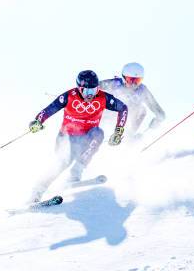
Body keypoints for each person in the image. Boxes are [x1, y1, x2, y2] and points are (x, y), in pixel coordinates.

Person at [27, 70, 128, 203]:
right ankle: (37, 192)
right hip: (66, 137)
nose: (90, 95)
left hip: (87, 137)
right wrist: (38, 121)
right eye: (86, 91)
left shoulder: (103, 98)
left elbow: (123, 108)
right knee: (62, 163)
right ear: (79, 88)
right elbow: (50, 109)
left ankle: (76, 171)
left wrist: (118, 131)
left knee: (99, 134)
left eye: (94, 90)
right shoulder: (69, 96)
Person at [99, 62, 166, 142]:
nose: (134, 84)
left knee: (142, 110)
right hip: (108, 116)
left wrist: (159, 118)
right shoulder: (115, 84)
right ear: (124, 78)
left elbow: (156, 108)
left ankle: (128, 136)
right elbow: (93, 86)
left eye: (137, 81)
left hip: (126, 121)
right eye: (130, 80)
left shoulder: (142, 90)